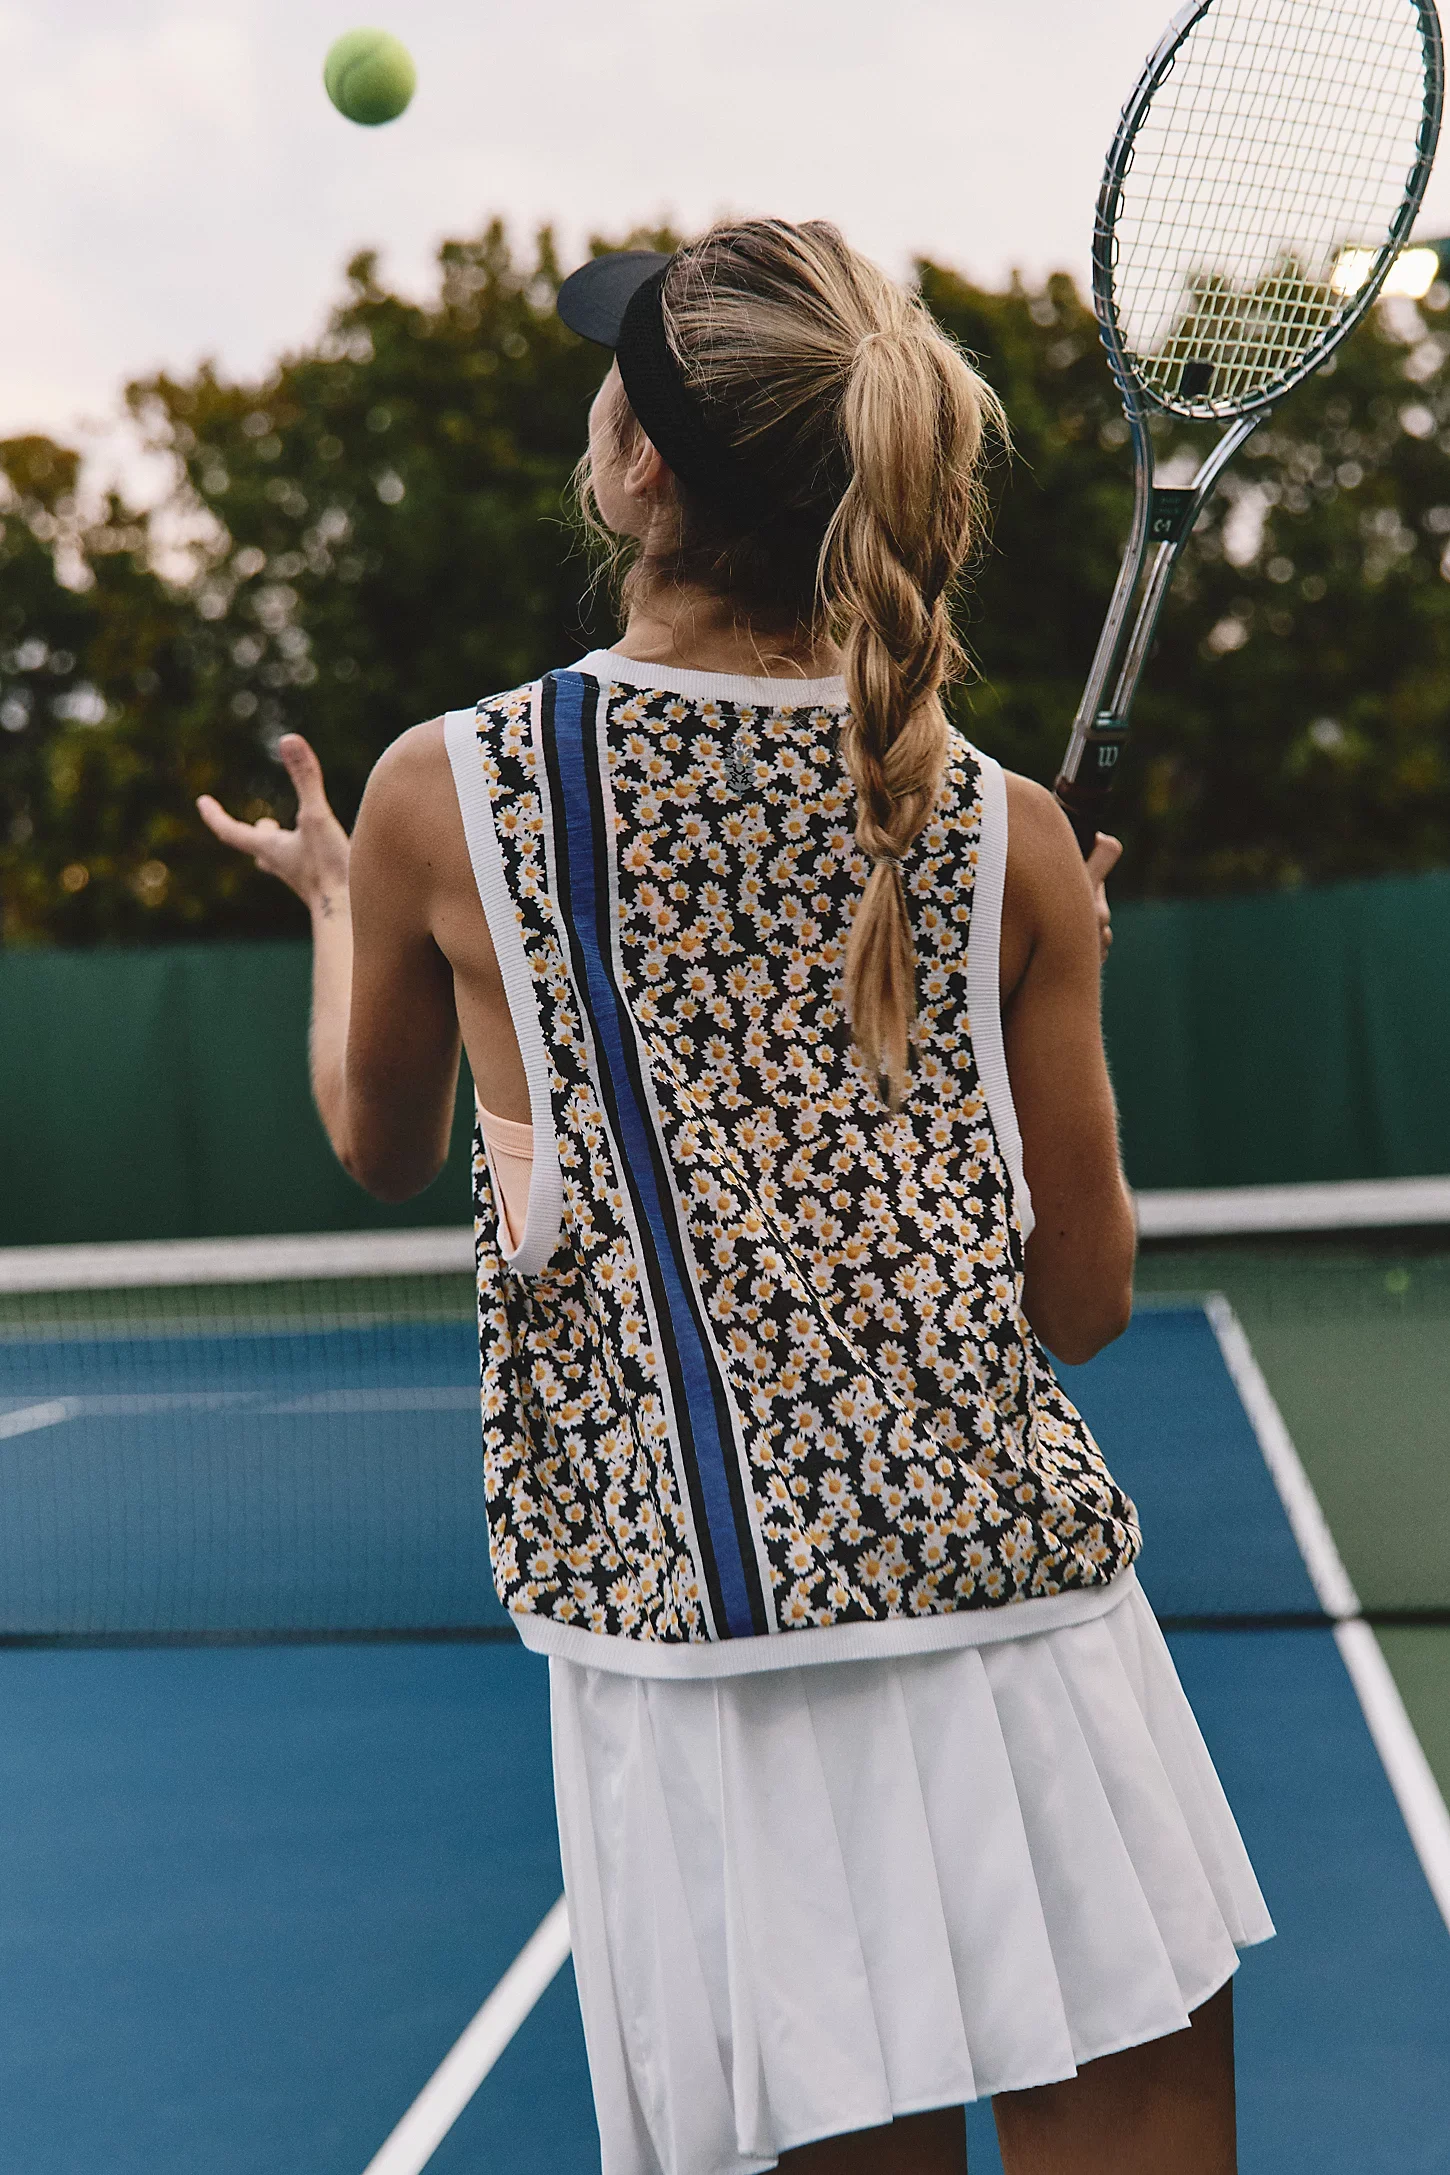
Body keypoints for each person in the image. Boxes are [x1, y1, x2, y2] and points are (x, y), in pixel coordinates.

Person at [200, 219, 1271, 2175]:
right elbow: (1081, 1303)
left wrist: (344, 903)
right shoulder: (1004, 826)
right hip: (1030, 1629)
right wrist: (1062, 953)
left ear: (638, 471)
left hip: (703, 1672)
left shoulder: (443, 791)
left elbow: (375, 1143)